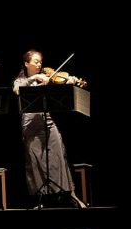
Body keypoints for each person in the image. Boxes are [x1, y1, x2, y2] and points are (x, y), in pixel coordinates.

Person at [12, 49, 80, 207]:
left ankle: (64, 194)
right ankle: (42, 198)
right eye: (35, 61)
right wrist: (34, 78)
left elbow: (60, 94)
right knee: (36, 161)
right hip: (30, 124)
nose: (39, 64)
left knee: (58, 156)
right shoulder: (20, 80)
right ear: (26, 63)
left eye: (40, 62)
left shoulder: (47, 78)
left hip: (47, 120)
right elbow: (17, 90)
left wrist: (68, 82)